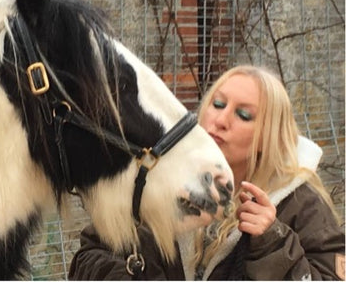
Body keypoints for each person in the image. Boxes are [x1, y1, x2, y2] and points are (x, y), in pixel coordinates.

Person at [68, 65, 345, 280]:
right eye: (218, 104)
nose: (221, 120)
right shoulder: (155, 179)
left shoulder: (299, 204)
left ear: (267, 136)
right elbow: (88, 257)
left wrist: (273, 245)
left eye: (244, 115)